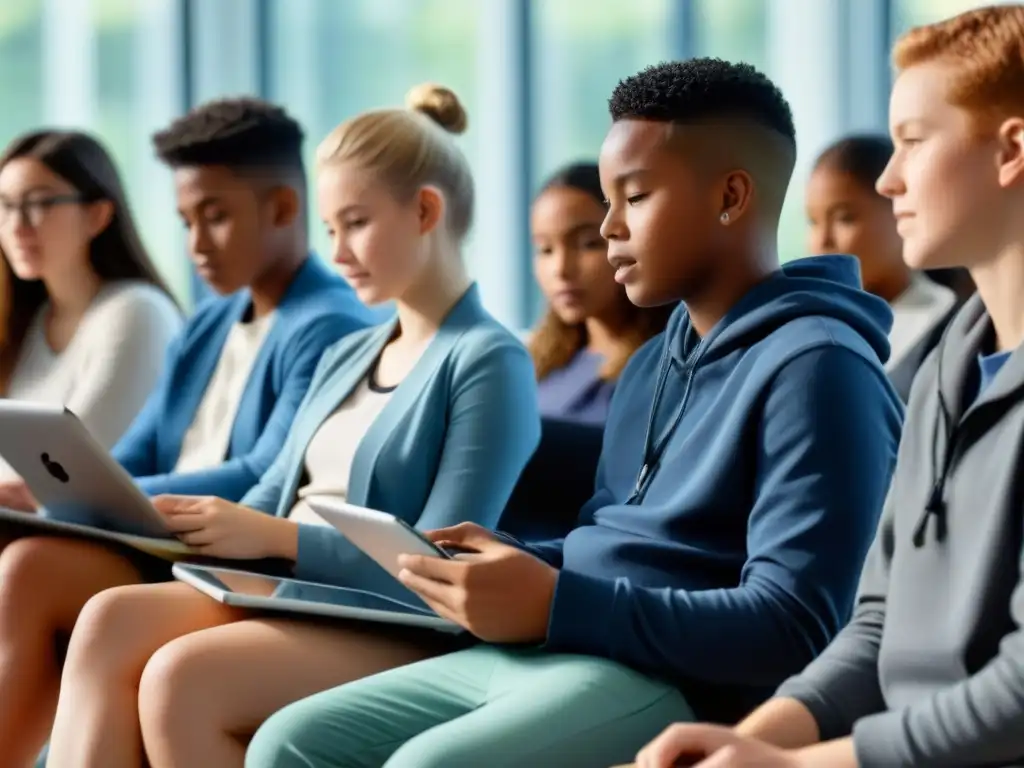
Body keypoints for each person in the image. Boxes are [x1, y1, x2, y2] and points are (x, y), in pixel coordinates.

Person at [244, 58, 904, 768]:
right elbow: (611, 540)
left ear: (732, 196)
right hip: (571, 647)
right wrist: (515, 560)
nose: (611, 226)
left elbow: (796, 624)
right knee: (289, 742)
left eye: (636, 197)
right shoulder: (654, 363)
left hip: (680, 685)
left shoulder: (820, 366)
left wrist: (558, 602)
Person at [44, 83, 540, 768]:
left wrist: (275, 537)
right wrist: (193, 519)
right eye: (331, 229)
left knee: (182, 678)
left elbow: (443, 564)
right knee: (108, 619)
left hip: (395, 620)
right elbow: (273, 485)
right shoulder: (351, 352)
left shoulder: (488, 359)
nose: (336, 253)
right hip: (295, 591)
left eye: (356, 224)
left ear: (426, 210)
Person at [632, 6, 1024, 767]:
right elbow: (878, 628)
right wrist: (749, 741)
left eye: (913, 140)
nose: (889, 178)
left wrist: (793, 767)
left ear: (1012, 151)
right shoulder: (947, 366)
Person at [0, 99, 375, 766]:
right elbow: (141, 448)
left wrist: (125, 494)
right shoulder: (208, 322)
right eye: (185, 221)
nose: (196, 243)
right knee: (23, 551)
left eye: (217, 217)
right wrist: (81, 488)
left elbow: (265, 472)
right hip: (159, 534)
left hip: (227, 551)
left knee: (31, 567)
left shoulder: (329, 321)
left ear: (285, 210)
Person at [0, 130, 182, 509]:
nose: (16, 225)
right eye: (5, 205)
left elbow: (65, 473)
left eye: (39, 203)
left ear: (97, 215)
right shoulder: (29, 322)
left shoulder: (136, 312)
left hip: (89, 535)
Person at [806, 134, 958, 383]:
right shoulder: (814, 329)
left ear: (899, 211)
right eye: (813, 221)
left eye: (845, 218)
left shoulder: (951, 327)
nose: (822, 240)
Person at [529, 161, 671, 425]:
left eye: (587, 244)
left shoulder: (663, 365)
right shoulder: (536, 363)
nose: (561, 270)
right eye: (545, 250)